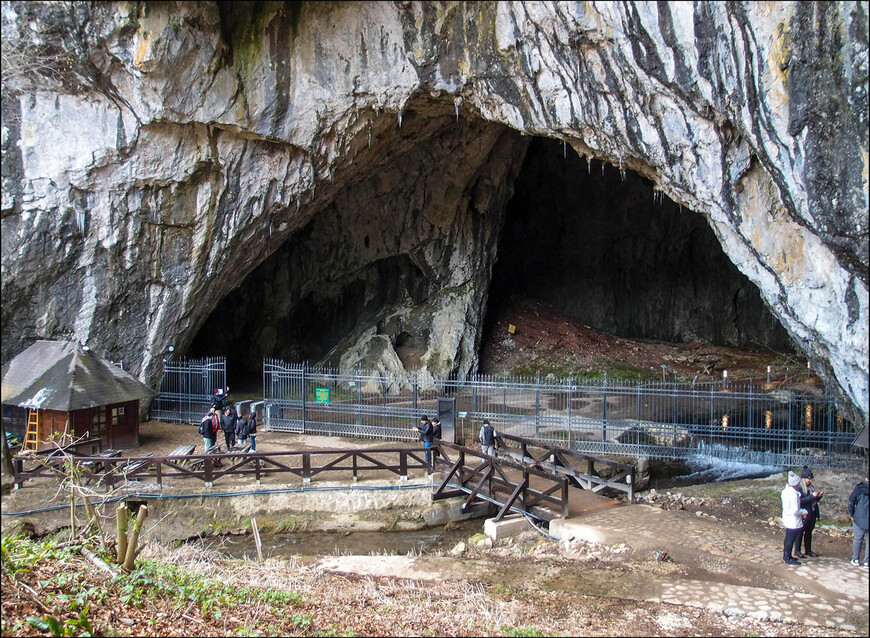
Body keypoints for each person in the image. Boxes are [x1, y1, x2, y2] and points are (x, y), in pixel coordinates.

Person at [794, 466, 823, 558]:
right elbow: (800, 501)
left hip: (812, 512)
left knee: (809, 532)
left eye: (810, 479)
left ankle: (808, 550)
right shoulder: (799, 488)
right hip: (804, 513)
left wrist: (818, 497)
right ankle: (797, 551)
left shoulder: (810, 487)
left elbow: (812, 500)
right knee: (800, 533)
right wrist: (812, 497)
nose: (809, 481)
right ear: (803, 478)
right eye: (808, 479)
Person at [781, 470, 808, 565]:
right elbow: (796, 510)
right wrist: (805, 512)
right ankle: (787, 557)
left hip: (788, 518)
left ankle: (787, 555)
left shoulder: (786, 491)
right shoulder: (793, 495)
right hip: (793, 520)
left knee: (788, 538)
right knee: (790, 539)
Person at [848, 472, 869, 567]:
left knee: (858, 539)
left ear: (866, 478)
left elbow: (851, 501)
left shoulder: (859, 488)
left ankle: (855, 559)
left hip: (859, 518)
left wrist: (852, 514)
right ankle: (867, 562)